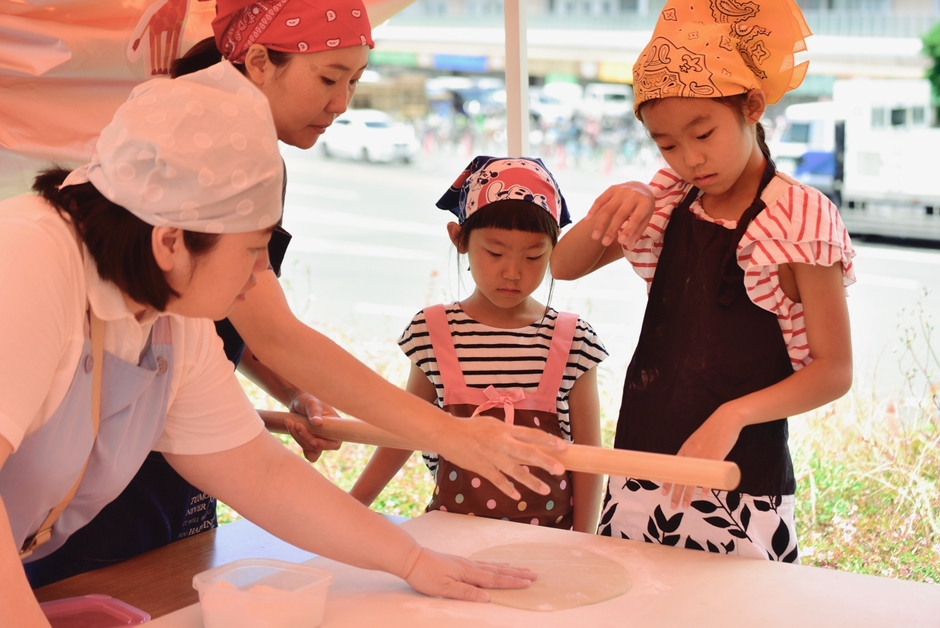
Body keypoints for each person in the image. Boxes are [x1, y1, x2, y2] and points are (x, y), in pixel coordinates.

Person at [20, 0, 569, 587]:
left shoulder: (173, 326)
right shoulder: (30, 265)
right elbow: (278, 337)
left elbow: (261, 474)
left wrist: (414, 562)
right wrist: (450, 434)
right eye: (254, 249)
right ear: (171, 242)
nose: (259, 275)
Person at [550, 0, 855, 560]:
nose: (690, 158)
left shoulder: (800, 217)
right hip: (642, 463)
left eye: (703, 132)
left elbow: (835, 373)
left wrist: (731, 415)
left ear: (753, 107)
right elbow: (563, 266)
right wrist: (630, 195)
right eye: (667, 144)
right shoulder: (667, 198)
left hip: (742, 480)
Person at [350, 156, 608, 533]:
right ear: (459, 239)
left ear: (556, 249)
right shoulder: (432, 331)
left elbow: (588, 456)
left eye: (534, 255)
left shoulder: (574, 340)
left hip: (550, 545)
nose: (513, 272)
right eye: (495, 252)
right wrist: (350, 508)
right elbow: (405, 432)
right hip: (450, 538)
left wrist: (585, 542)